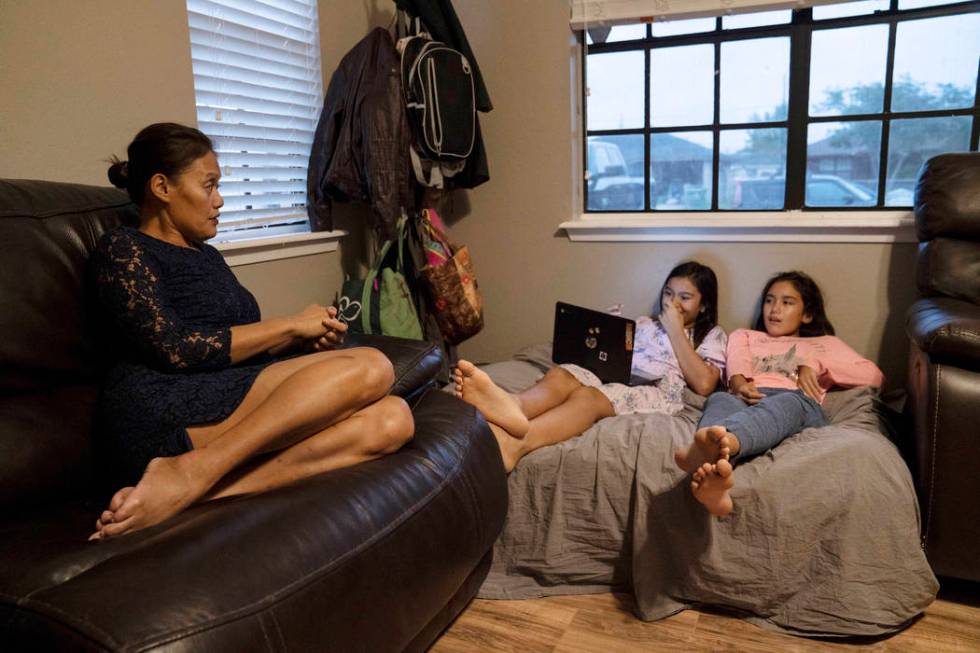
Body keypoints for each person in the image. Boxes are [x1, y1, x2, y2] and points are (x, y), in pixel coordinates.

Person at [88, 123, 414, 541]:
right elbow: (173, 348)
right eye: (209, 186)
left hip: (223, 391)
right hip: (158, 404)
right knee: (373, 366)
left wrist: (300, 340)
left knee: (393, 421)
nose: (219, 201)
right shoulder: (124, 248)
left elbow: (237, 345)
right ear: (161, 187)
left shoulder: (206, 257)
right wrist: (290, 324)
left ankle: (198, 491)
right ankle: (189, 470)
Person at [453, 261, 727, 472]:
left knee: (589, 398)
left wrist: (675, 330)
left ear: (703, 306)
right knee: (563, 373)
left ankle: (517, 445)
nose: (672, 302)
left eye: (685, 297)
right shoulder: (645, 323)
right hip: (616, 372)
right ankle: (514, 405)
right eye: (668, 293)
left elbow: (704, 384)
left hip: (654, 387)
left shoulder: (710, 335)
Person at [674, 271, 884, 517]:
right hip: (747, 398)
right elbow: (737, 360)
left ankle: (725, 443)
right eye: (769, 300)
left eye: (787, 302)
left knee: (789, 401)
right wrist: (739, 383)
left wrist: (815, 366)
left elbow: (873, 375)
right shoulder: (746, 335)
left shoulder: (824, 343)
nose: (775, 309)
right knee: (720, 399)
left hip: (795, 402)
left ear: (807, 314)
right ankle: (714, 479)